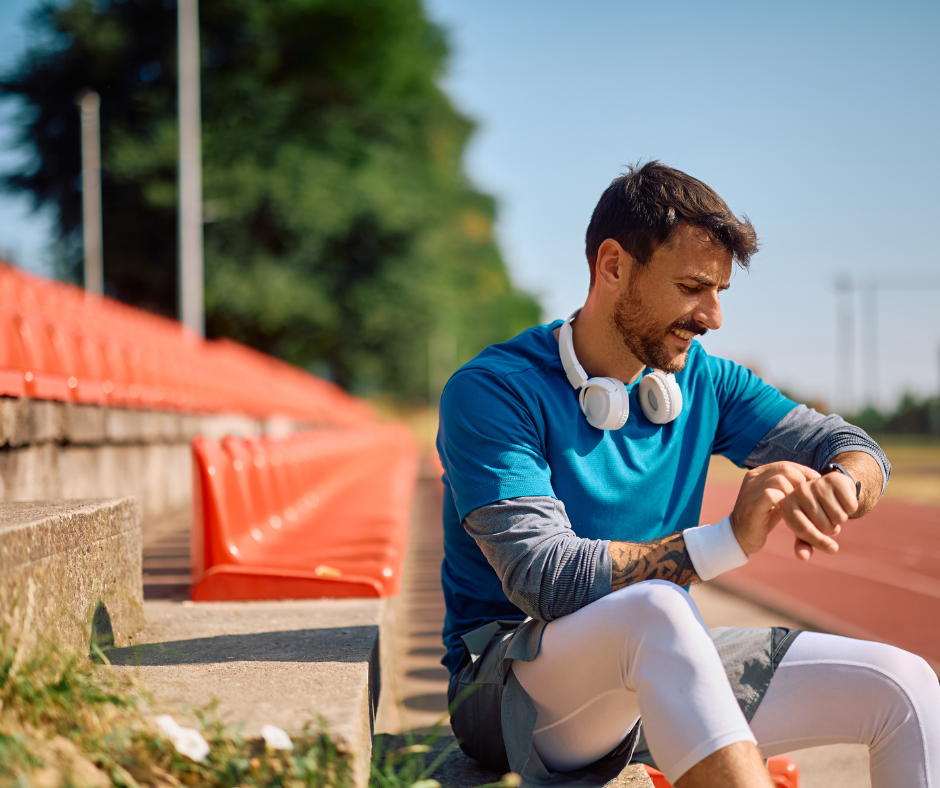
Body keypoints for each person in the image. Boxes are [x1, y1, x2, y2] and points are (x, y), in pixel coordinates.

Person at [435, 162, 940, 788]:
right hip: (508, 688)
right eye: (693, 287)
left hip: (655, 660)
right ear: (613, 266)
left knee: (905, 685)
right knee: (657, 609)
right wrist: (726, 541)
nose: (714, 316)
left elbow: (852, 445)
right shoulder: (492, 392)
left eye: (720, 290)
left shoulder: (706, 381)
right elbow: (546, 579)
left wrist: (844, 484)